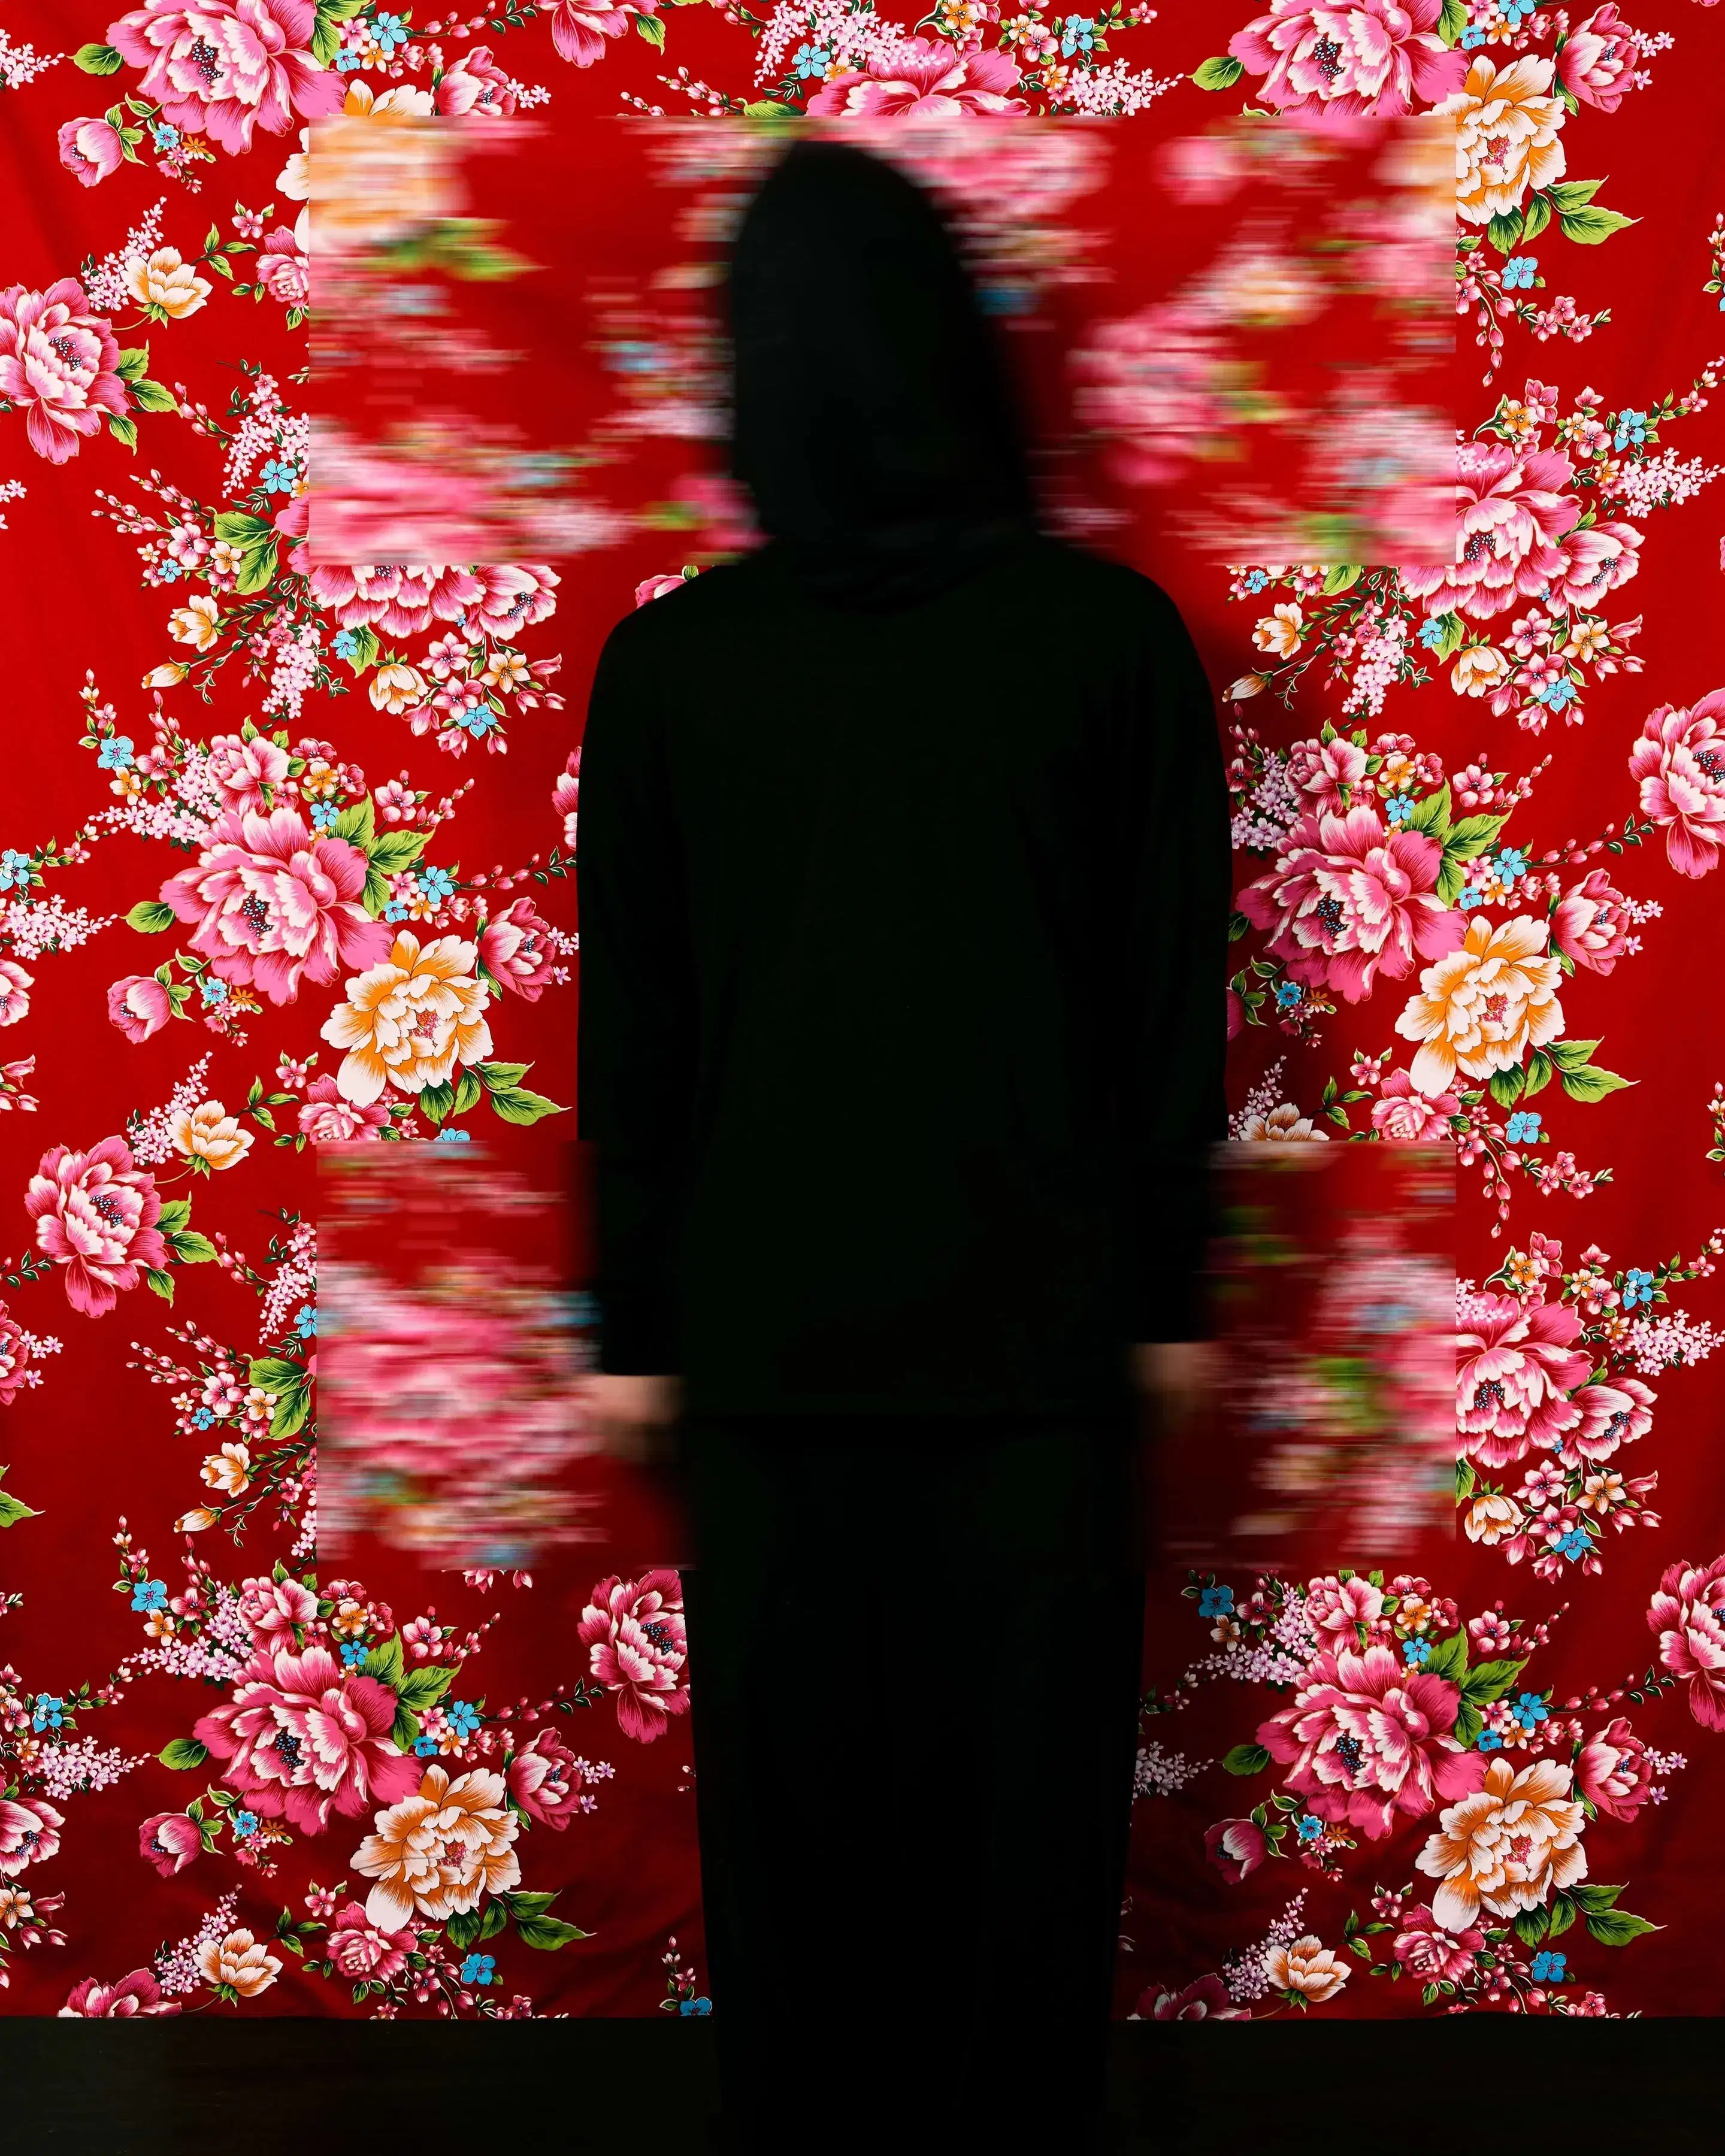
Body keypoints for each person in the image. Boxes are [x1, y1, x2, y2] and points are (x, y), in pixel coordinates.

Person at [576, 139, 1231, 2156]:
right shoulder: (1111, 640)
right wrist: (1172, 1306)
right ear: (962, 353)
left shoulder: (675, 663)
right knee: (1027, 1850)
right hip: (1046, 1344)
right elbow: (1171, 1010)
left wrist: (630, 1330)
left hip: (765, 1342)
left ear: (754, 370)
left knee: (795, 1845)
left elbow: (638, 1036)